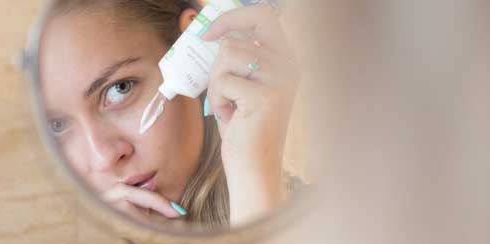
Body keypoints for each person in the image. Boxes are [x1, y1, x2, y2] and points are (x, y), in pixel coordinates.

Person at [38, 0, 300, 230]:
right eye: (57, 125)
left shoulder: (329, 227)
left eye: (120, 89)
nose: (104, 157)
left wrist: (254, 182)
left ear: (196, 38)